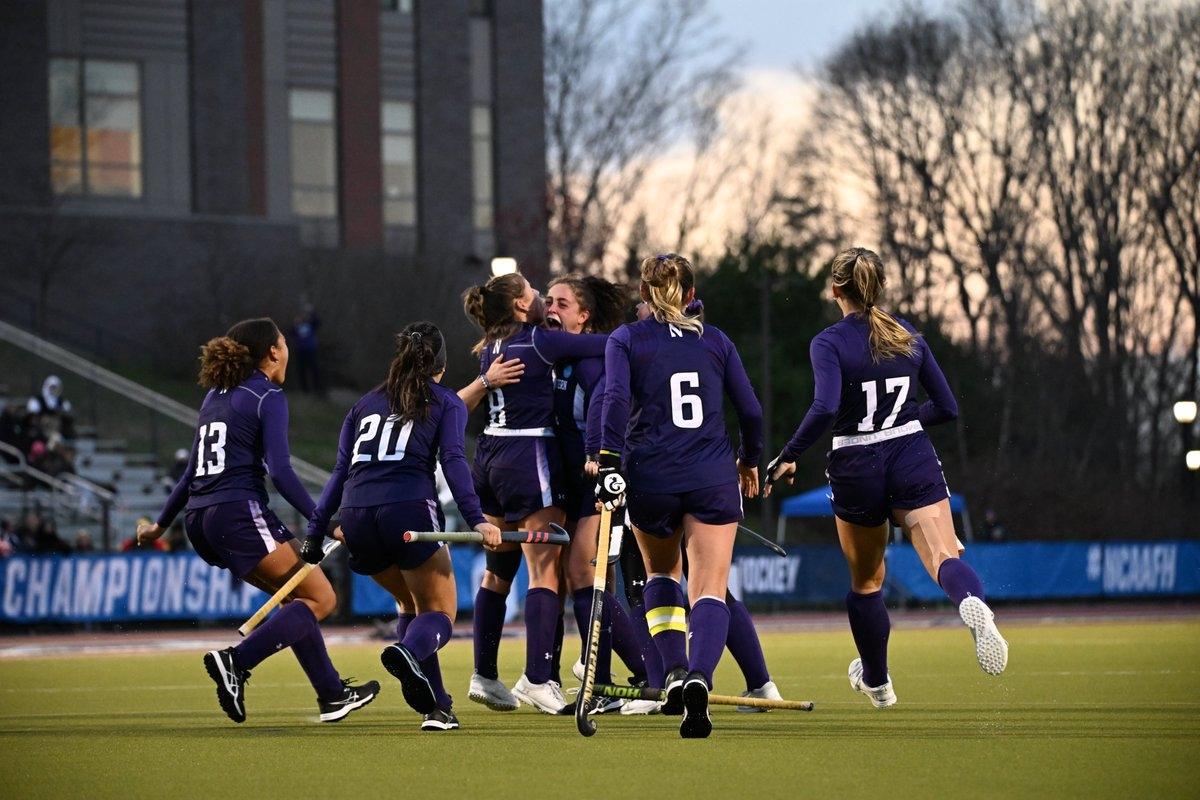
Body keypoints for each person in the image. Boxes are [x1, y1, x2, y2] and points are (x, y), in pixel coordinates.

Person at [765, 247, 1008, 711]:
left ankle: (877, 681)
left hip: (856, 463)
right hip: (909, 451)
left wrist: (788, 455)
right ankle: (971, 604)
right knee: (942, 553)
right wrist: (909, 415)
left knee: (867, 581)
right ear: (879, 287)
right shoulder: (907, 336)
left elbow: (825, 408)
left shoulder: (829, 342)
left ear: (837, 289)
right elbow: (949, 407)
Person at [137, 317, 379, 724]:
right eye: (284, 343)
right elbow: (281, 473)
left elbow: (192, 470)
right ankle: (237, 662)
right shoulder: (267, 396)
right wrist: (326, 521)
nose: (288, 350)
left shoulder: (215, 395)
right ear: (272, 352)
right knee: (322, 598)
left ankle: (332, 694)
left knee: (294, 598)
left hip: (201, 518)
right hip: (236, 512)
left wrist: (162, 524)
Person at [301, 322, 502, 731]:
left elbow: (340, 472)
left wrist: (316, 530)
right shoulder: (446, 401)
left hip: (356, 517)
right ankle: (409, 652)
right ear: (442, 366)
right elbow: (454, 462)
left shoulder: (363, 404)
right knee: (441, 612)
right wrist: (478, 518)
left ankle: (438, 708)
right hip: (408, 511)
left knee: (411, 606)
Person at [595, 253, 763, 738]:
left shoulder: (626, 339)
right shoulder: (716, 341)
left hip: (651, 476)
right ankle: (700, 679)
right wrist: (749, 461)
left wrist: (608, 461)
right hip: (711, 476)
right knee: (708, 588)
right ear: (691, 295)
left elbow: (615, 400)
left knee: (660, 574)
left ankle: (671, 673)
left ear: (644, 295)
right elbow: (750, 411)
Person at [462, 272, 609, 714]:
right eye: (532, 292)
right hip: (528, 456)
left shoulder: (489, 346)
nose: (542, 298)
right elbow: (605, 345)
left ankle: (485, 675)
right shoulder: (542, 341)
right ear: (521, 308)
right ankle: (539, 679)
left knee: (497, 574)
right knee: (545, 572)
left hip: (487, 456)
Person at [544, 275, 648, 714]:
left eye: (562, 303)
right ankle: (609, 680)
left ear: (584, 317)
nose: (551, 308)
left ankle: (637, 674)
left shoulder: (592, 363)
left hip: (600, 484)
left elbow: (607, 409)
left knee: (586, 577)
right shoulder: (561, 358)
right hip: (572, 486)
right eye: (548, 300)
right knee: (578, 580)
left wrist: (597, 457)